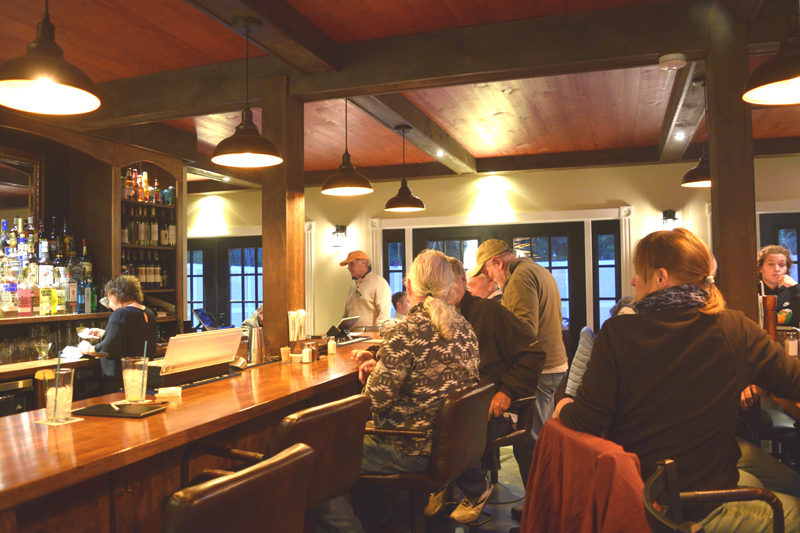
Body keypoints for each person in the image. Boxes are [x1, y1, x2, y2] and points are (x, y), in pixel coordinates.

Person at [556, 228, 800, 532]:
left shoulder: (617, 333)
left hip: (649, 499)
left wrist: (563, 405)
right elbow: (794, 381)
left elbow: (586, 421)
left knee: (773, 480)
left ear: (660, 277)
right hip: (700, 505)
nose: (633, 281)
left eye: (638, 273)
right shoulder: (734, 328)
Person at [314, 249, 480, 532]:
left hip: (410, 446)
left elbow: (373, 403)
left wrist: (376, 374)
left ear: (410, 285)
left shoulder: (406, 331)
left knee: (317, 458)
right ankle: (384, 524)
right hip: (451, 446)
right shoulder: (464, 328)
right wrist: (383, 363)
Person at [437, 257, 544, 524]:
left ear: (464, 282)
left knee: (455, 428)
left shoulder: (490, 313)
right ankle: (442, 485)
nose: (447, 290)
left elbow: (533, 353)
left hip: (498, 408)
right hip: (460, 404)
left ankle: (470, 489)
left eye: (453, 282)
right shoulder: (439, 318)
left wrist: (507, 391)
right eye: (441, 284)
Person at [468, 239, 568, 442]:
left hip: (542, 368)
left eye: (487, 270)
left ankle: (538, 475)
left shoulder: (519, 278)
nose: (489, 277)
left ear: (497, 262)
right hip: (554, 363)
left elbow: (524, 333)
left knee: (530, 441)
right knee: (542, 435)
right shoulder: (537, 269)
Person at [84, 275, 157, 394]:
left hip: (120, 380)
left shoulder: (120, 313)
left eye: (109, 297)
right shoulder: (148, 312)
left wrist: (86, 349)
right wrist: (104, 333)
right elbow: (134, 336)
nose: (109, 303)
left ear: (115, 295)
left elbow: (106, 350)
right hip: (143, 376)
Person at [340, 250, 392, 328]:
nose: (348, 268)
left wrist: (377, 334)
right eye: (348, 265)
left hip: (370, 337)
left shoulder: (380, 283)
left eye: (352, 264)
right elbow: (346, 314)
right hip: (351, 337)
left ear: (364, 263)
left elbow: (384, 314)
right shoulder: (353, 286)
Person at [757, 244, 800, 327]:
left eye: (782, 265)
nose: (777, 269)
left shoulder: (793, 289)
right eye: (771, 264)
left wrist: (795, 288)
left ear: (787, 268)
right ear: (760, 268)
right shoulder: (751, 289)